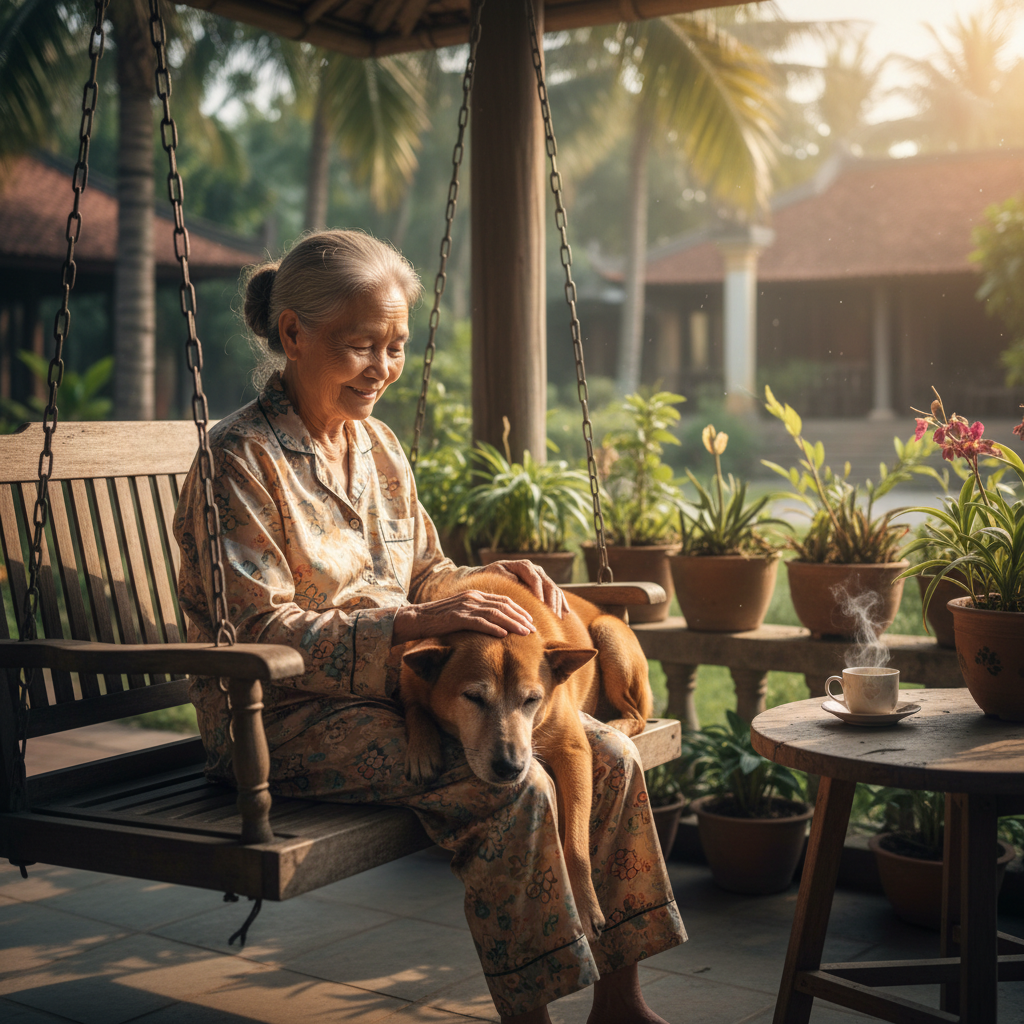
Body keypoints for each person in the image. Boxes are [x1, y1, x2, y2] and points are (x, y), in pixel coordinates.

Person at [174, 229, 686, 1024]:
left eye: (395, 347)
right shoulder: (238, 460)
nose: (381, 368)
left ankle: (620, 1003)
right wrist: (417, 619)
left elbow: (427, 572)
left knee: (611, 752)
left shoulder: (377, 446)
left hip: (394, 700)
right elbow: (257, 631)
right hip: (282, 719)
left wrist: (492, 581)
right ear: (292, 335)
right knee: (510, 789)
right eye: (360, 347)